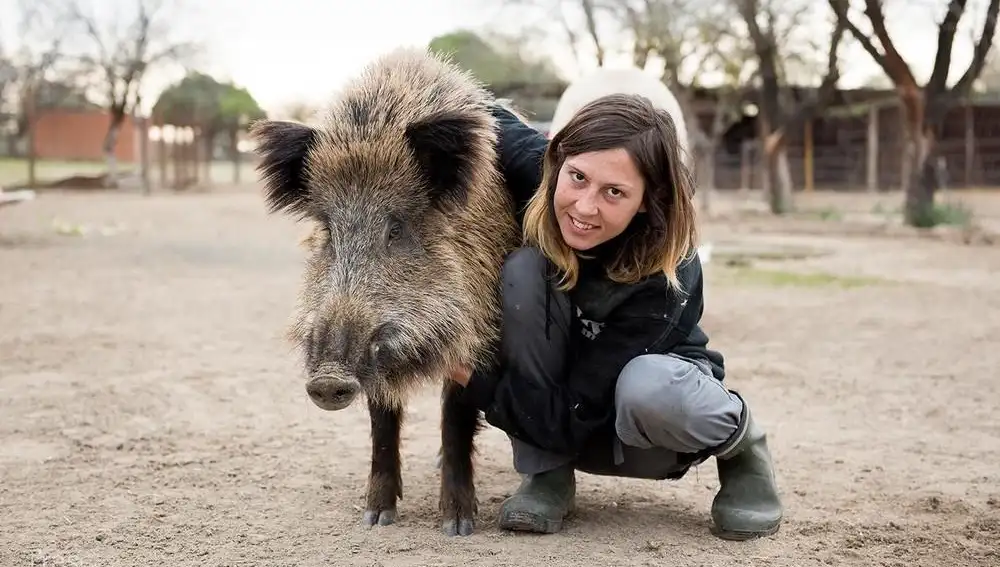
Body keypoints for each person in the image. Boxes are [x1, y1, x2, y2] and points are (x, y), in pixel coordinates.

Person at [449, 93, 783, 540]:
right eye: (578, 177)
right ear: (556, 159)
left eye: (614, 192)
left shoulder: (669, 271)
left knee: (649, 385)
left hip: (645, 436)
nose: (585, 207)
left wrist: (469, 376)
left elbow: (571, 416)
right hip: (556, 407)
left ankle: (744, 449)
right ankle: (547, 475)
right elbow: (475, 110)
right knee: (524, 271)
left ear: (647, 200)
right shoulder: (544, 172)